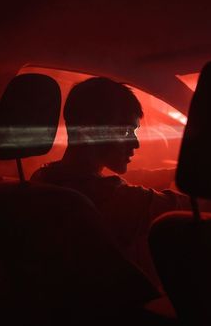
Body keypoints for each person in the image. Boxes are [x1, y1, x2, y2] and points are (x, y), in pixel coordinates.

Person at [31, 77, 191, 287]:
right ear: (88, 132)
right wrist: (199, 177)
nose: (136, 143)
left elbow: (136, 178)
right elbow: (192, 207)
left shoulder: (42, 178)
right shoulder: (110, 198)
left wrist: (175, 172)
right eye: (125, 131)